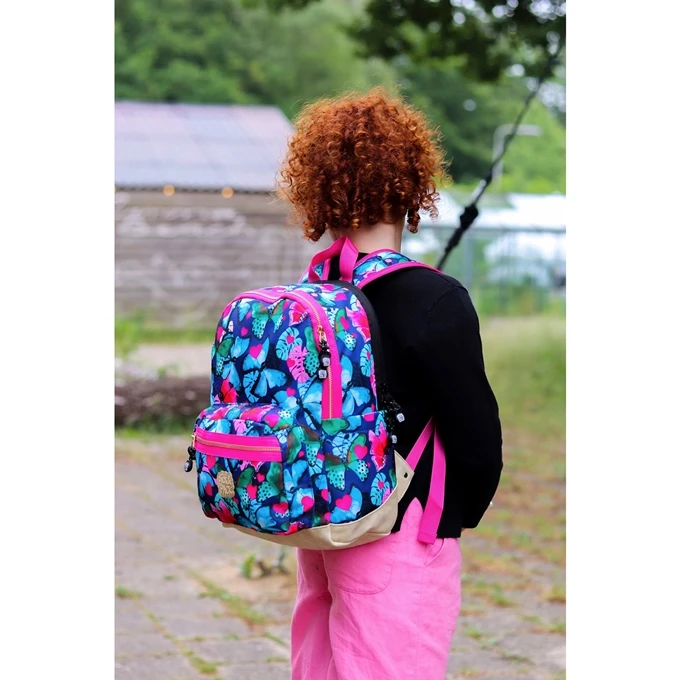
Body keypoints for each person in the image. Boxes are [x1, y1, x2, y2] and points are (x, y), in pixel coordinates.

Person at [278, 88, 503, 680]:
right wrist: (455, 515)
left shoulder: (313, 293)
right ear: (410, 188)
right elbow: (477, 439)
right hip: (400, 529)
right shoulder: (435, 298)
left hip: (321, 524)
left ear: (318, 191)